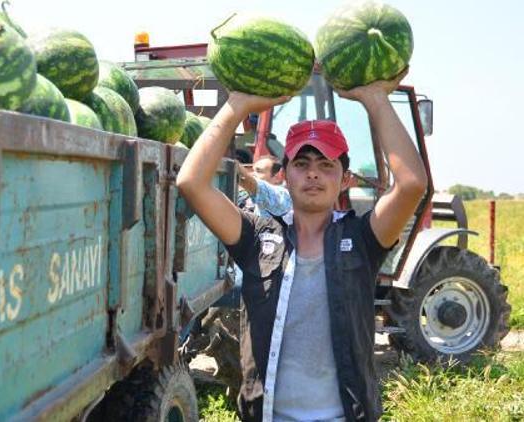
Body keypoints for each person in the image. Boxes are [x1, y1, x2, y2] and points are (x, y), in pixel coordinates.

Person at [175, 68, 427, 422]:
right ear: (285, 174)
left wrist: (376, 99)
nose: (313, 174)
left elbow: (412, 183)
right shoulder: (257, 238)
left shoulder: (361, 240)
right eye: (302, 164)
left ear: (345, 180)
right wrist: (237, 104)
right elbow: (191, 182)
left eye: (326, 165)